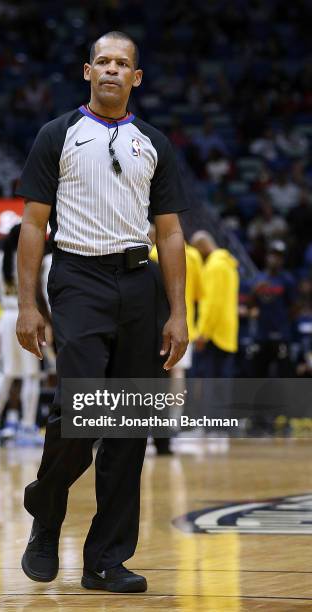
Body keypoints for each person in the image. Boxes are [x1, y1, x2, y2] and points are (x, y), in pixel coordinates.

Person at [15, 31, 189, 593]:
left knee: (129, 427)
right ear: (87, 71)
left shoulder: (154, 143)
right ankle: (48, 511)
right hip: (79, 280)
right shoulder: (56, 135)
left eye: (123, 64)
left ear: (136, 78)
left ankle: (105, 560)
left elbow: (170, 233)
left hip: (140, 286)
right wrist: (27, 305)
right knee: (83, 407)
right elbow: (33, 226)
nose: (112, 70)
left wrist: (178, 312)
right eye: (103, 62)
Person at [0, 224, 44, 447]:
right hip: (24, 316)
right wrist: (46, 318)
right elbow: (37, 291)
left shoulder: (0, 257)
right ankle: (27, 426)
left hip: (5, 317)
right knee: (31, 375)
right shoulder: (27, 256)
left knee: (6, 374)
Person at [190, 231, 239, 378]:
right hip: (227, 331)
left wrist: (202, 333)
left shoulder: (213, 267)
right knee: (223, 384)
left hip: (214, 335)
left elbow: (210, 304)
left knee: (210, 387)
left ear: (202, 247)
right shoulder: (228, 264)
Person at [249, 240, 295, 377]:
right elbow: (250, 306)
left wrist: (284, 320)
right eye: (273, 255)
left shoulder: (287, 279)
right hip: (262, 334)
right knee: (258, 373)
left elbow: (295, 305)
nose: (275, 259)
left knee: (283, 373)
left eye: (279, 256)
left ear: (283, 260)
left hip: (282, 334)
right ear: (267, 256)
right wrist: (254, 292)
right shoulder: (259, 278)